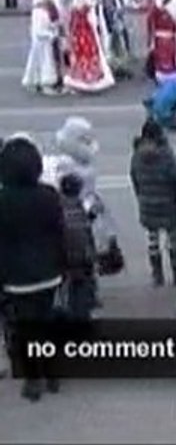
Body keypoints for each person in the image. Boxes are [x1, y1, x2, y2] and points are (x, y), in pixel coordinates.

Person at [0, 137, 65, 401]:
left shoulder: (3, 200)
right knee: (46, 321)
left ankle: (32, 378)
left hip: (16, 277)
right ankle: (51, 372)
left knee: (24, 328)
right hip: (49, 273)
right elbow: (59, 233)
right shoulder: (48, 196)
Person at [129, 119, 176, 288]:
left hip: (147, 202)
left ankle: (157, 275)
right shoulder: (165, 154)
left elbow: (134, 177)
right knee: (173, 240)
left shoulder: (137, 154)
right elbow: (174, 178)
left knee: (153, 240)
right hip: (168, 202)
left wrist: (141, 196)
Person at [56, 173, 97, 322]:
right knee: (84, 285)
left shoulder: (57, 207)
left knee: (67, 286)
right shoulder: (83, 206)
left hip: (64, 256)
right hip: (82, 256)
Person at [63, 0, 115, 93]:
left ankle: (80, 79)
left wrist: (70, 38)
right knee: (88, 57)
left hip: (79, 38)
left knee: (81, 58)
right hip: (87, 37)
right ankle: (91, 78)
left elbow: (71, 26)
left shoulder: (75, 13)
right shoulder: (88, 11)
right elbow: (93, 24)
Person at [22, 0, 64, 95]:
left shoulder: (41, 11)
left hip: (43, 42)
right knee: (46, 63)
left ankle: (36, 82)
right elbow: (39, 31)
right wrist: (52, 34)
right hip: (42, 43)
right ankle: (45, 83)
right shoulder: (40, 13)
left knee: (38, 63)